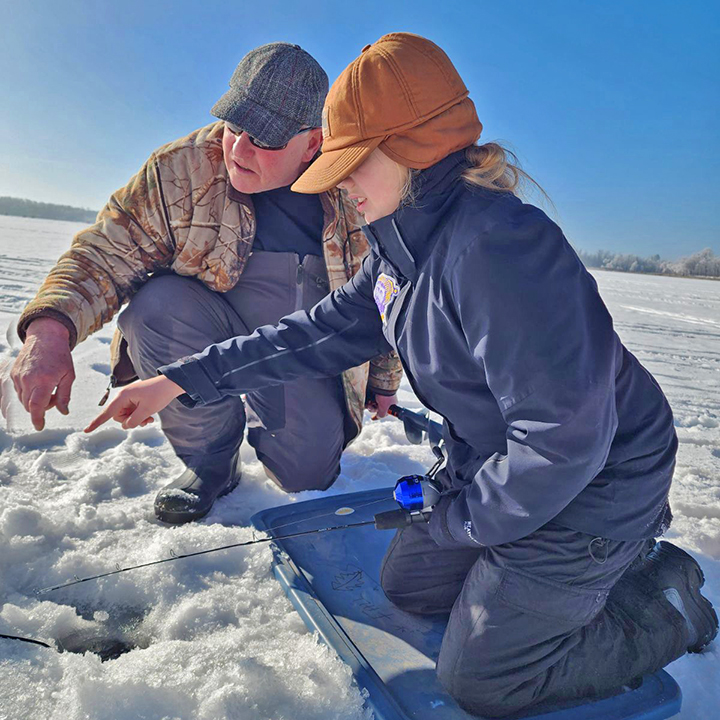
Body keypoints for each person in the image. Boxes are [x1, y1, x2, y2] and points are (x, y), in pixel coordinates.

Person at [84, 33, 718, 718]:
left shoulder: (499, 249)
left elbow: (563, 439)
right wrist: (181, 380)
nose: (342, 182)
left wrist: (463, 518)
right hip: (509, 468)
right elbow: (317, 333)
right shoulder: (399, 246)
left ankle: (666, 598)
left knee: (484, 680)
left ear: (412, 148)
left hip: (597, 483)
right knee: (411, 584)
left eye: (355, 162)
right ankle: (538, 583)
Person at [11, 42, 401, 525]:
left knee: (307, 476)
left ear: (313, 143)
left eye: (266, 139)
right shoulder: (181, 167)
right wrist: (50, 329)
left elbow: (382, 290)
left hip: (297, 352)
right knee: (155, 307)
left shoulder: (352, 189)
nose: (239, 148)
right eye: (234, 125)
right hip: (203, 332)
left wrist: (382, 379)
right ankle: (211, 461)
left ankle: (279, 430)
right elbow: (105, 251)